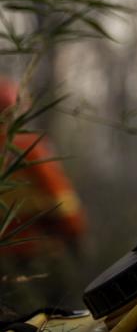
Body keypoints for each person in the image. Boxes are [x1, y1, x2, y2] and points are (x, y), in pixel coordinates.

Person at [0, 78, 87, 313]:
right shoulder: (26, 147)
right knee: (63, 317)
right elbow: (64, 203)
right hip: (35, 255)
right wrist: (75, 236)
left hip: (5, 262)